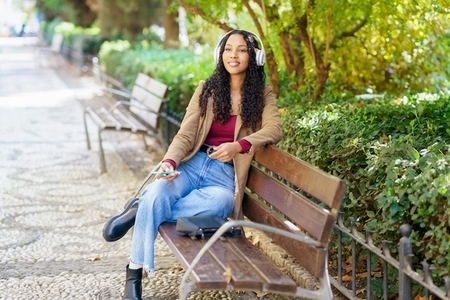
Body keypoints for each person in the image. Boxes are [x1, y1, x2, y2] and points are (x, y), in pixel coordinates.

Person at [103, 29, 283, 300]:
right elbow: (186, 134)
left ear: (255, 57)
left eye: (242, 50)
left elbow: (275, 129)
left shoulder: (263, 95)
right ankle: (134, 272)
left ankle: (142, 207)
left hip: (223, 175)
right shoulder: (206, 89)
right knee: (159, 191)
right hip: (191, 165)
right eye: (228, 49)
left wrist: (239, 145)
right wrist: (169, 160)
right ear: (219, 54)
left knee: (221, 202)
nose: (233, 55)